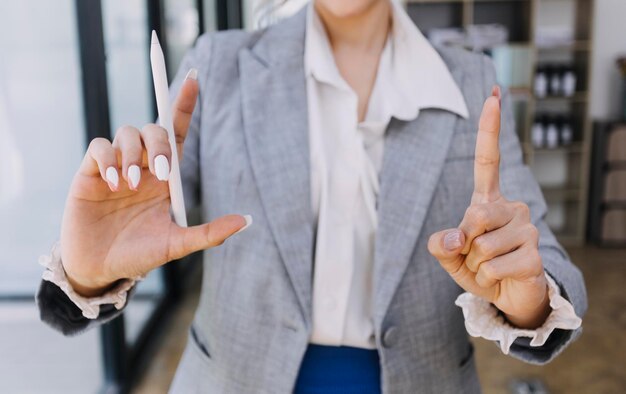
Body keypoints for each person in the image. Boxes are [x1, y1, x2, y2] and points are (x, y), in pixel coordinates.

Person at [37, 0, 587, 392]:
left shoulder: (472, 81)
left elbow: (551, 266)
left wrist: (528, 299)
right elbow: (148, 216)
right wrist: (88, 274)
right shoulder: (220, 65)